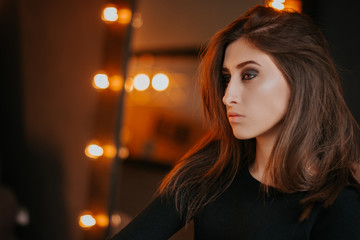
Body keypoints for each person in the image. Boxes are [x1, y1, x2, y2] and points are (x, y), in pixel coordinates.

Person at [108, 5, 360, 239]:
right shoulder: (212, 170)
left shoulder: (339, 204)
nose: (228, 96)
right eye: (227, 78)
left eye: (249, 74)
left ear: (301, 80)